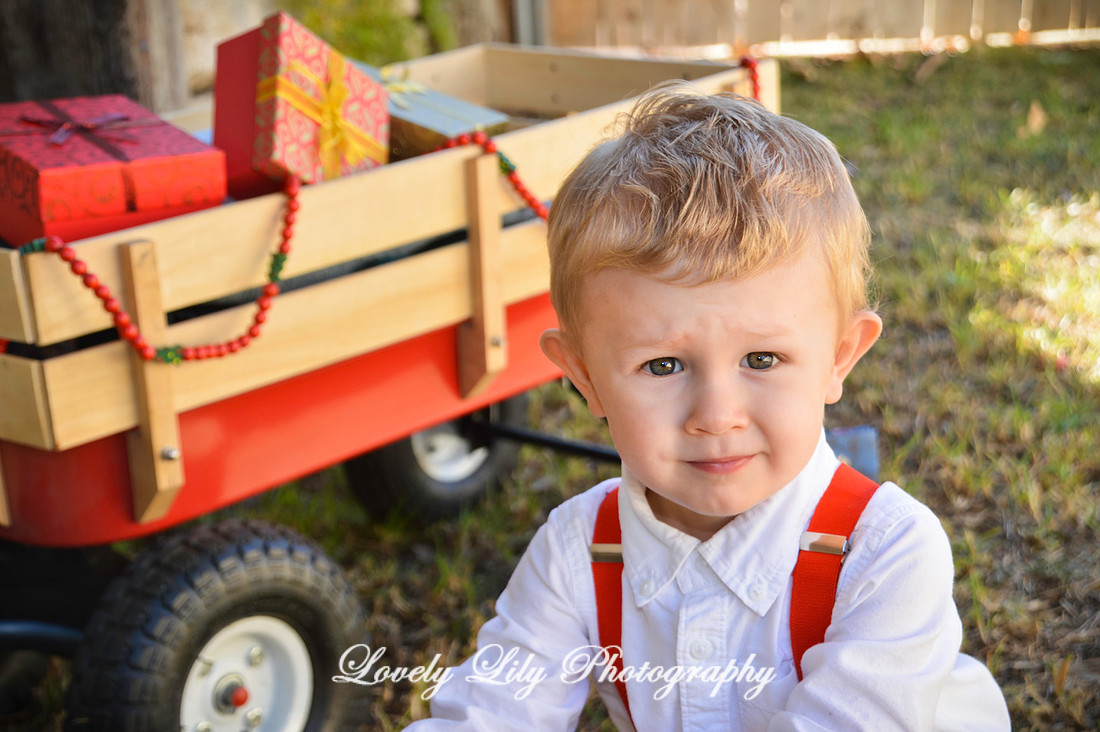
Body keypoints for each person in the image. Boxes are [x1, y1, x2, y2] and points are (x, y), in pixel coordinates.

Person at [404, 83, 1009, 730]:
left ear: (839, 356)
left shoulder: (886, 553)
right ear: (584, 377)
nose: (717, 415)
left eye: (762, 359)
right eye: (663, 366)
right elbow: (491, 713)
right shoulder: (578, 553)